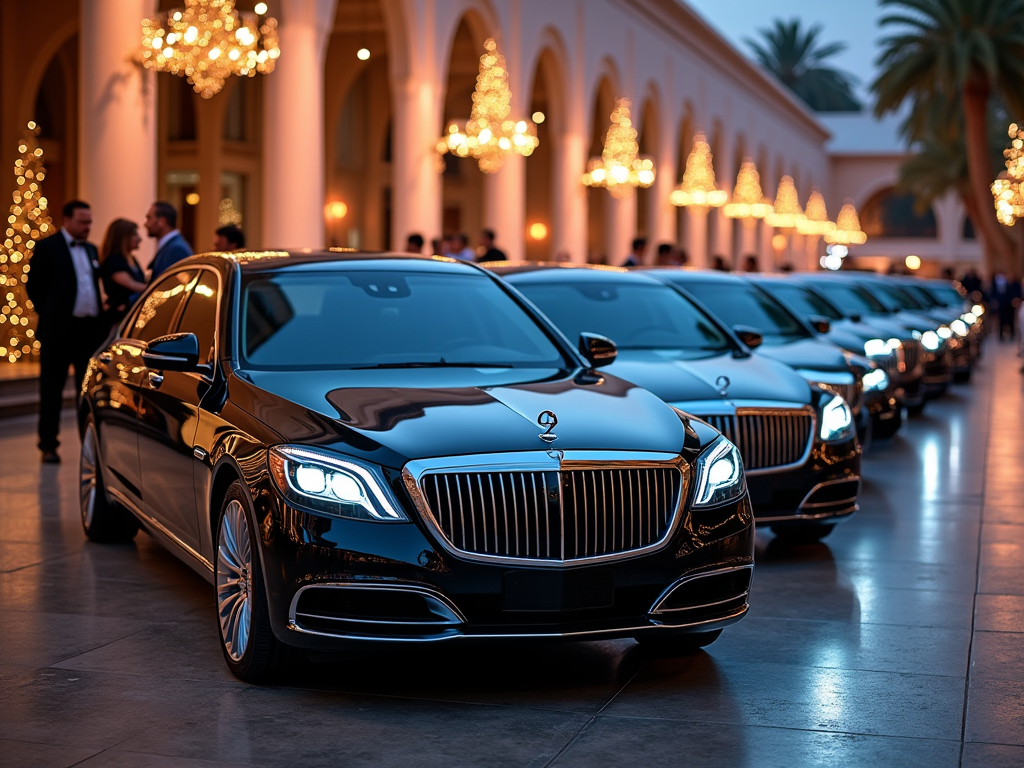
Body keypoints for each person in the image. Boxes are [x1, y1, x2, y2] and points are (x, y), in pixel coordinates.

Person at [25, 200, 108, 463]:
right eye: (83, 221)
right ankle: (48, 445)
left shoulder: (93, 250)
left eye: (90, 221)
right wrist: (51, 315)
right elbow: (33, 287)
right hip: (58, 331)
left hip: (88, 331)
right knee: (52, 390)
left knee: (87, 391)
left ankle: (88, 444)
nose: (88, 226)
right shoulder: (47, 247)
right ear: (67, 220)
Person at [99, 218, 147, 327]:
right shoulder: (113, 261)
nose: (139, 238)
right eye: (135, 234)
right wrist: (157, 286)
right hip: (118, 318)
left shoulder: (132, 259)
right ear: (123, 238)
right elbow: (133, 285)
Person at [145, 201, 193, 280]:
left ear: (162, 221)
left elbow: (167, 285)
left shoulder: (175, 249)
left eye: (149, 218)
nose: (146, 223)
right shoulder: (171, 245)